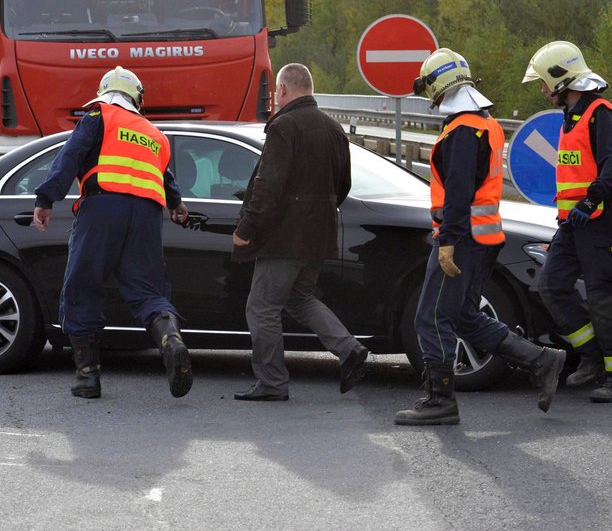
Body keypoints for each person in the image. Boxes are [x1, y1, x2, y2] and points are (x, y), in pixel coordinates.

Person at [394, 48, 566, 426]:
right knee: (465, 317)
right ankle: (542, 360)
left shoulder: (460, 131)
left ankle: (440, 401)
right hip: (484, 239)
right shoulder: (484, 122)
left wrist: (448, 242)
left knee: (432, 317)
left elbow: (458, 193)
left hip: (461, 240)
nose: (430, 96)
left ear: (439, 85)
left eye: (429, 88)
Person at [33, 66, 192, 399]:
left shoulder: (98, 117)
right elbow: (167, 178)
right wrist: (176, 204)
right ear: (137, 98)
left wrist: (46, 198)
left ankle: (87, 376)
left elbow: (70, 157)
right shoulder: (154, 134)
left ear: (105, 94)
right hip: (147, 215)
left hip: (102, 208)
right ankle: (171, 339)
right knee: (147, 290)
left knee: (82, 285)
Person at [231, 63, 369, 401]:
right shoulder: (334, 128)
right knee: (299, 297)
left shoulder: (284, 126)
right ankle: (349, 349)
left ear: (281, 91)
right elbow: (344, 185)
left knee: (261, 306)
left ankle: (272, 382)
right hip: (319, 233)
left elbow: (267, 184)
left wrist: (246, 228)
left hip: (285, 236)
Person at [523, 40, 612, 403]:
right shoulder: (571, 117)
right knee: (551, 285)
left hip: (603, 221)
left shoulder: (600, 113)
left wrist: (589, 202)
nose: (543, 91)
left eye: (545, 83)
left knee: (608, 298)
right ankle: (593, 357)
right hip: (575, 224)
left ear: (562, 80)